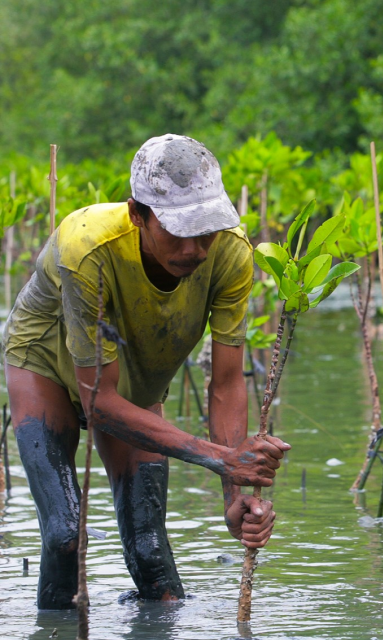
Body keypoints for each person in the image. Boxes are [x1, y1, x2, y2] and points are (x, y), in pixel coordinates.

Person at [2, 134, 288, 609]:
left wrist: (232, 494)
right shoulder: (87, 248)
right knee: (64, 532)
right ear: (138, 214)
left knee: (152, 553)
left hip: (132, 374)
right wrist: (219, 455)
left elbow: (226, 383)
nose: (195, 249)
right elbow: (100, 404)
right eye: (178, 231)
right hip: (46, 361)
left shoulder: (232, 255)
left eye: (206, 231)